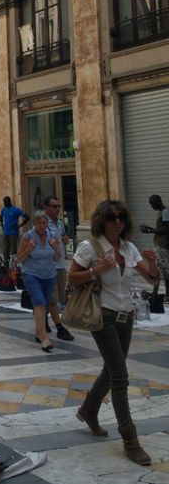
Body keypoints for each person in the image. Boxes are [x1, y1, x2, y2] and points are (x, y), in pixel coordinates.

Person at [69, 199, 160, 466]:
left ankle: (89, 409)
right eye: (111, 217)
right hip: (104, 317)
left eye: (121, 217)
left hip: (126, 317)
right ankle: (130, 439)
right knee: (120, 376)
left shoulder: (129, 248)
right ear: (102, 220)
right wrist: (95, 270)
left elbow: (151, 279)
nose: (117, 221)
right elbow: (72, 277)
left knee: (111, 370)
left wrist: (153, 264)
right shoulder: (90, 247)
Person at [16, 210, 61, 352]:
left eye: (44, 223)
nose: (42, 225)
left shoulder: (52, 236)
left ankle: (38, 331)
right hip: (31, 274)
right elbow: (19, 259)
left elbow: (57, 258)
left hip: (49, 275)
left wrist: (56, 248)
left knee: (45, 305)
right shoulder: (27, 237)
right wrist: (29, 249)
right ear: (34, 224)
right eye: (39, 223)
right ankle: (44, 338)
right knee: (40, 303)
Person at [44, 196, 74, 342]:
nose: (57, 209)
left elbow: (63, 237)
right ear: (46, 208)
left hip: (61, 265)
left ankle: (42, 318)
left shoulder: (60, 223)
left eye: (59, 206)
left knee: (60, 297)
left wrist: (65, 241)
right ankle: (60, 328)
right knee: (53, 299)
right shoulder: (42, 224)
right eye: (54, 206)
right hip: (48, 267)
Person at [140, 194, 169, 298]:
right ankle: (158, 293)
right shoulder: (162, 212)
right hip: (160, 245)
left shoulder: (166, 212)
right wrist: (149, 228)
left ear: (158, 202)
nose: (152, 207)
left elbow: (166, 229)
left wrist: (149, 230)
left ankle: (164, 294)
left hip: (163, 246)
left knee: (163, 270)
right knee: (161, 270)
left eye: (152, 204)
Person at [0, 196, 29, 262]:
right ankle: (6, 263)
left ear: (9, 201)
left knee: (13, 250)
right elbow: (1, 217)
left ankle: (13, 264)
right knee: (5, 250)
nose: (4, 203)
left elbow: (27, 217)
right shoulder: (4, 209)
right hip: (6, 233)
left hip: (13, 233)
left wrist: (20, 225)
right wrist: (2, 226)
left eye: (5, 202)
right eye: (4, 202)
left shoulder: (16, 209)